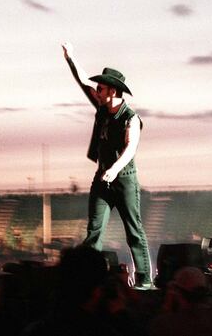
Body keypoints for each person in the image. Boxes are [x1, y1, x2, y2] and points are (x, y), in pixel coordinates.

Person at [61, 42, 152, 289]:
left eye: (100, 87)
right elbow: (82, 81)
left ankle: (145, 280)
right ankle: (88, 279)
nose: (96, 90)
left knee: (134, 230)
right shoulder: (102, 106)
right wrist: (71, 57)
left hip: (124, 179)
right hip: (102, 178)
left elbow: (130, 148)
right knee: (94, 229)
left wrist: (114, 169)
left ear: (111, 91)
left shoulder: (130, 118)